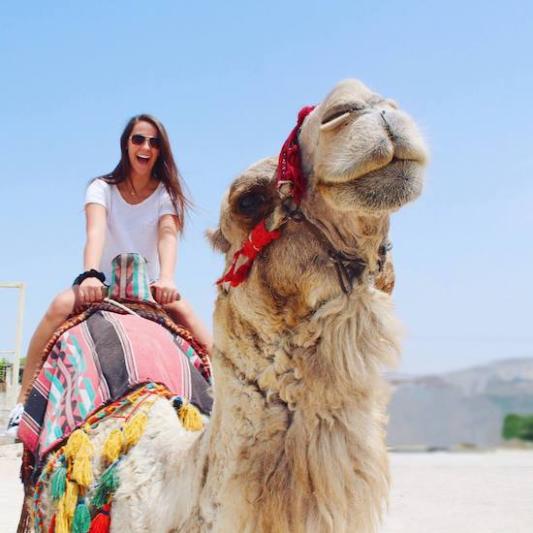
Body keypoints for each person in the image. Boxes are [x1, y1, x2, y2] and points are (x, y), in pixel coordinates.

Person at [7, 114, 212, 436]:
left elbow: (167, 236)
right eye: (139, 139)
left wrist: (168, 278)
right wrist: (90, 274)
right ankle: (22, 403)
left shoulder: (165, 194)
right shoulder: (102, 188)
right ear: (126, 144)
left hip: (149, 286)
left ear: (161, 150)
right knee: (58, 307)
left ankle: (225, 396)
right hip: (103, 282)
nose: (146, 147)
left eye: (154, 142)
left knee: (193, 322)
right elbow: (96, 232)